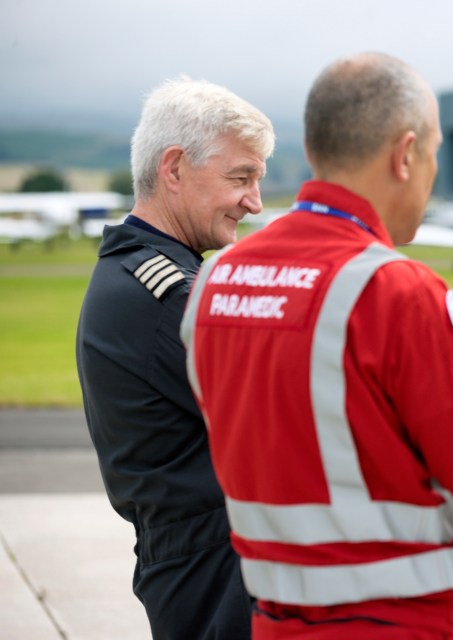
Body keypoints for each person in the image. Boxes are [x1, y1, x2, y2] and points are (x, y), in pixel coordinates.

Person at [179, 52, 453, 640]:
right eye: (434, 152)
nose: (432, 171)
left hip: (269, 619)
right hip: (395, 624)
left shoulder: (217, 282)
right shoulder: (396, 292)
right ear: (404, 155)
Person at [76, 78, 275, 639]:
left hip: (194, 554)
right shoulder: (171, 298)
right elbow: (290, 416)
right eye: (241, 178)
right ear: (174, 168)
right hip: (218, 564)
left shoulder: (137, 274)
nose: (254, 202)